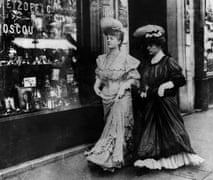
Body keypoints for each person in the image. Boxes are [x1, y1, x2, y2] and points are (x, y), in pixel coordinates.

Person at [133, 25, 204, 170]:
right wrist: (143, 89)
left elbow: (180, 80)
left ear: (159, 45)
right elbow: (144, 81)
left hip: (166, 104)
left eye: (152, 45)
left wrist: (165, 85)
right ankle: (154, 158)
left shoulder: (168, 61)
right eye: (148, 45)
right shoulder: (147, 64)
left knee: (172, 130)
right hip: (151, 105)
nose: (149, 48)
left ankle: (174, 159)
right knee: (151, 132)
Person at [84, 17, 140, 171]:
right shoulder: (102, 59)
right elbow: (101, 76)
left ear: (119, 41)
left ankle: (116, 158)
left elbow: (135, 80)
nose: (109, 40)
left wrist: (125, 86)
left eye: (112, 38)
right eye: (107, 38)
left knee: (117, 128)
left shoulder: (126, 59)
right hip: (106, 96)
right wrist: (97, 85)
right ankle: (119, 155)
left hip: (121, 97)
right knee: (109, 126)